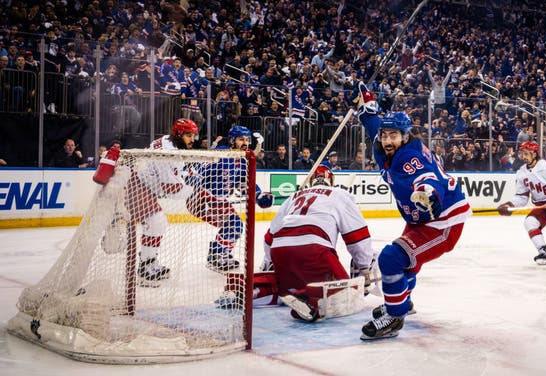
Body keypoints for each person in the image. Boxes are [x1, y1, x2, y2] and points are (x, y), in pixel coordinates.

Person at [355, 83, 471, 340]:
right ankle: (402, 302)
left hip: (442, 221)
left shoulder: (410, 158)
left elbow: (427, 178)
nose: (387, 140)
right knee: (406, 262)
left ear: (405, 136)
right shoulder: (381, 142)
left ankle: (395, 318)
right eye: (386, 135)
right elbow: (372, 123)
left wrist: (428, 193)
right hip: (420, 217)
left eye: (393, 136)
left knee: (391, 259)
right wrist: (366, 106)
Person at [219, 165, 376, 321]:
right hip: (314, 250)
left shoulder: (294, 196)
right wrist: (364, 266)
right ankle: (307, 300)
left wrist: (268, 264)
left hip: (280, 250)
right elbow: (357, 235)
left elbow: (270, 235)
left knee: (284, 286)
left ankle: (245, 288)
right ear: (331, 181)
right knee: (348, 294)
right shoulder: (340, 194)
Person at [185, 125, 274, 273]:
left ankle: (220, 253)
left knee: (234, 225)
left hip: (218, 201)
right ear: (232, 140)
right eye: (241, 139)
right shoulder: (221, 155)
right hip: (202, 199)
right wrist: (195, 184)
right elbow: (196, 170)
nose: (245, 143)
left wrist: (258, 196)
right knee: (234, 224)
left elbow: (244, 184)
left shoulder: (242, 160)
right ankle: (217, 255)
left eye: (247, 140)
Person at [126, 118, 198, 283]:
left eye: (193, 135)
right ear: (179, 134)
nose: (192, 139)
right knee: (157, 221)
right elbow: (170, 189)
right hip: (134, 183)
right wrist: (194, 191)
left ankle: (148, 262)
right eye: (188, 135)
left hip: (140, 182)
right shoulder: (168, 153)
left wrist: (186, 177)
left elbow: (170, 178)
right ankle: (145, 267)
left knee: (157, 223)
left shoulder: (168, 141)